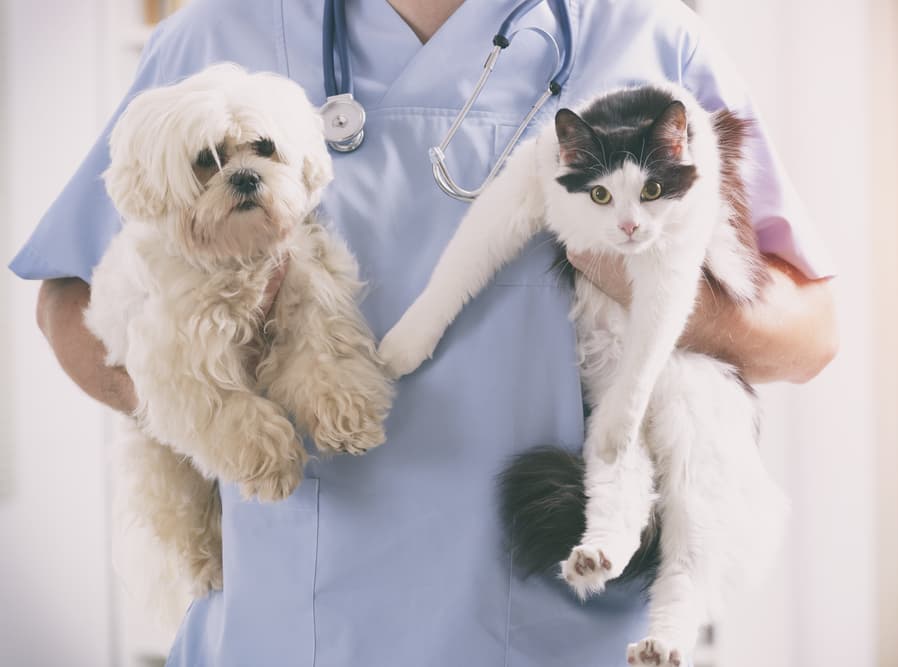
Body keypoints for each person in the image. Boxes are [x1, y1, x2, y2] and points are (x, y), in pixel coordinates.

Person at [14, 0, 838, 664]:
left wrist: (649, 283)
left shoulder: (645, 36)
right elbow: (67, 300)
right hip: (293, 628)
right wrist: (190, 399)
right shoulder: (215, 35)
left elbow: (811, 332)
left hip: (569, 623)